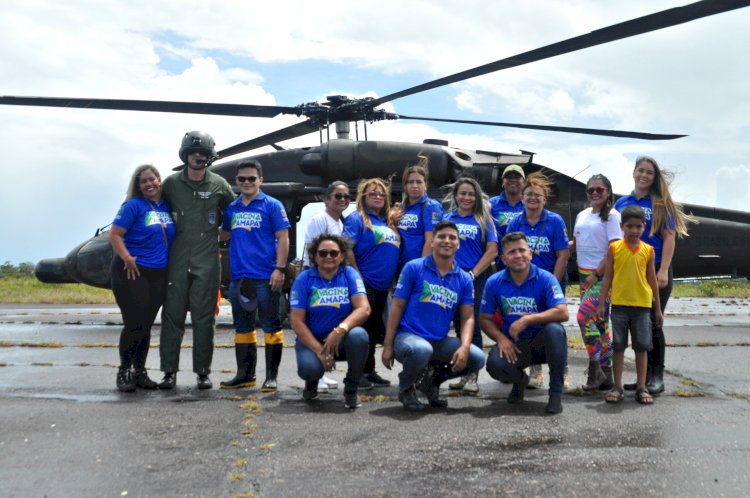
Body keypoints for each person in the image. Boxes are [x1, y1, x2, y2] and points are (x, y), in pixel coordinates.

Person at [158, 131, 235, 390]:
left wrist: (225, 234)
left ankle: (203, 372)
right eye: (193, 153)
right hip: (176, 262)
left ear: (209, 157)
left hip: (207, 262)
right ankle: (169, 371)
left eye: (202, 153)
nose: (198, 156)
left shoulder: (219, 184)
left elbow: (235, 212)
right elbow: (154, 211)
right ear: (185, 155)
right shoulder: (170, 184)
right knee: (172, 318)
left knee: (204, 320)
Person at [382, 221, 485, 411]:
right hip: (408, 338)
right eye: (442, 236)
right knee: (421, 350)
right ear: (432, 242)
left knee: (477, 358)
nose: (447, 241)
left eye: (452, 237)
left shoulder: (464, 279)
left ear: (458, 244)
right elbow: (396, 306)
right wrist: (388, 345)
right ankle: (406, 387)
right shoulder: (413, 267)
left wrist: (464, 346)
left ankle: (431, 382)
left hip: (438, 341)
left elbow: (468, 317)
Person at [614, 156, 695, 394]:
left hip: (656, 265)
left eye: (649, 172)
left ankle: (656, 375)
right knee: (634, 322)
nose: (644, 175)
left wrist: (662, 270)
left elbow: (669, 238)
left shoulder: (660, 204)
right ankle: (643, 378)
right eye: (641, 170)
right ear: (633, 172)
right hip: (630, 269)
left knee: (653, 322)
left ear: (654, 177)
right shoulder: (621, 203)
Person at [219, 159, 291, 392]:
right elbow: (224, 235)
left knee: (270, 325)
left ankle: (271, 376)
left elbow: (283, 237)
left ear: (261, 180)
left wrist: (279, 269)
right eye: (242, 179)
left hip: (265, 277)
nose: (247, 182)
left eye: (252, 178)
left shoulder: (272, 205)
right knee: (242, 327)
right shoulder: (232, 208)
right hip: (240, 279)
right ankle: (245, 375)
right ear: (236, 181)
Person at [480, 232, 569, 414]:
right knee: (495, 365)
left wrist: (528, 319)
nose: (518, 255)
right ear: (504, 259)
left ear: (530, 253)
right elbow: (484, 319)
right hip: (515, 344)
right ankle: (520, 381)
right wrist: (500, 339)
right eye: (512, 252)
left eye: (522, 250)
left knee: (555, 330)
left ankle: (555, 394)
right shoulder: (494, 282)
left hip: (544, 343)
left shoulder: (546, 278)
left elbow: (563, 312)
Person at [109, 165, 175, 392]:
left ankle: (140, 372)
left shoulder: (166, 206)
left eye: (152, 179)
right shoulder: (132, 206)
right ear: (138, 186)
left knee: (146, 325)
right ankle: (124, 371)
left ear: (159, 180)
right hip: (132, 271)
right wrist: (127, 258)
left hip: (157, 273)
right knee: (134, 323)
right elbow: (115, 234)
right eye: (143, 181)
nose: (149, 184)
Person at [291, 233, 371, 409]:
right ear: (314, 256)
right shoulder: (303, 279)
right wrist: (320, 351)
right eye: (323, 253)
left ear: (342, 256)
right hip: (313, 341)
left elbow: (364, 308)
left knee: (359, 336)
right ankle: (311, 382)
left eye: (334, 253)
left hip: (341, 340)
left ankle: (351, 389)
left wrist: (340, 330)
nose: (328, 257)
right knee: (309, 369)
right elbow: (297, 322)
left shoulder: (349, 274)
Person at [506, 171, 570, 390]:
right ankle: (535, 370)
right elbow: (509, 251)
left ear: (545, 199)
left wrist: (553, 282)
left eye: (538, 195)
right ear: (522, 198)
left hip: (550, 280)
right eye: (529, 194)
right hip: (524, 284)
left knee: (553, 327)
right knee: (529, 324)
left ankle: (561, 370)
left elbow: (563, 254)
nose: (533, 198)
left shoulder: (554, 221)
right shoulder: (516, 221)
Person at [597, 205, 663, 405]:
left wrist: (657, 309)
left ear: (644, 227)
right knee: (618, 347)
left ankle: (641, 387)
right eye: (630, 226)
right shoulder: (614, 248)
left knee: (641, 347)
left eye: (638, 226)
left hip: (642, 307)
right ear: (621, 226)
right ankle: (618, 387)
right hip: (618, 306)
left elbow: (652, 281)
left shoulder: (648, 251)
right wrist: (601, 303)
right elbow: (607, 277)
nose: (634, 231)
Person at [442, 176, 498, 394]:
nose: (466, 198)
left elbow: (492, 251)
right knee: (457, 326)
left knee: (471, 325)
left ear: (476, 197)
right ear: (456, 196)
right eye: (462, 193)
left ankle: (473, 376)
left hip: (475, 278)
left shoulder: (484, 220)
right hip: (449, 279)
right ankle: (463, 374)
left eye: (470, 194)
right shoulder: (448, 218)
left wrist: (473, 274)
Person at [344, 178, 401, 389]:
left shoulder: (386, 222)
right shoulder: (357, 219)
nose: (377, 197)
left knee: (374, 330)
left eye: (381, 194)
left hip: (382, 287)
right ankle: (356, 375)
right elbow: (347, 248)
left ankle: (369, 370)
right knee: (361, 332)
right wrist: (357, 277)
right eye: (372, 194)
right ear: (363, 197)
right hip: (365, 284)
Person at [571, 174, 621, 391]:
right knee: (601, 325)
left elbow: (614, 250)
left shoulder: (612, 216)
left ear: (608, 192)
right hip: (585, 277)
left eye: (599, 189)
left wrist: (596, 275)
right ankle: (606, 372)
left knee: (583, 317)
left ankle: (594, 370)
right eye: (590, 189)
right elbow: (577, 242)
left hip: (602, 278)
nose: (594, 193)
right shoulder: (582, 215)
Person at [301, 180, 351, 393]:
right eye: (337, 196)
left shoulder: (339, 223)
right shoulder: (319, 219)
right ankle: (314, 376)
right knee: (314, 326)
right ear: (327, 198)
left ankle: (321, 374)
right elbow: (314, 253)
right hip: (315, 277)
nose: (342, 200)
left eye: (346, 197)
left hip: (331, 277)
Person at [396, 155, 444, 269]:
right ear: (405, 186)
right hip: (401, 267)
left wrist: (421, 268)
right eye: (410, 182)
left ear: (425, 185)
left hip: (419, 267)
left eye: (419, 182)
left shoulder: (431, 206)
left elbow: (431, 241)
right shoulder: (402, 207)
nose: (414, 186)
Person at [489, 164, 526, 270]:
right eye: (508, 177)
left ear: (524, 181)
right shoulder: (491, 204)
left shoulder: (529, 203)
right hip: (500, 263)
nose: (513, 180)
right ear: (503, 182)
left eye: (517, 177)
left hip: (523, 260)